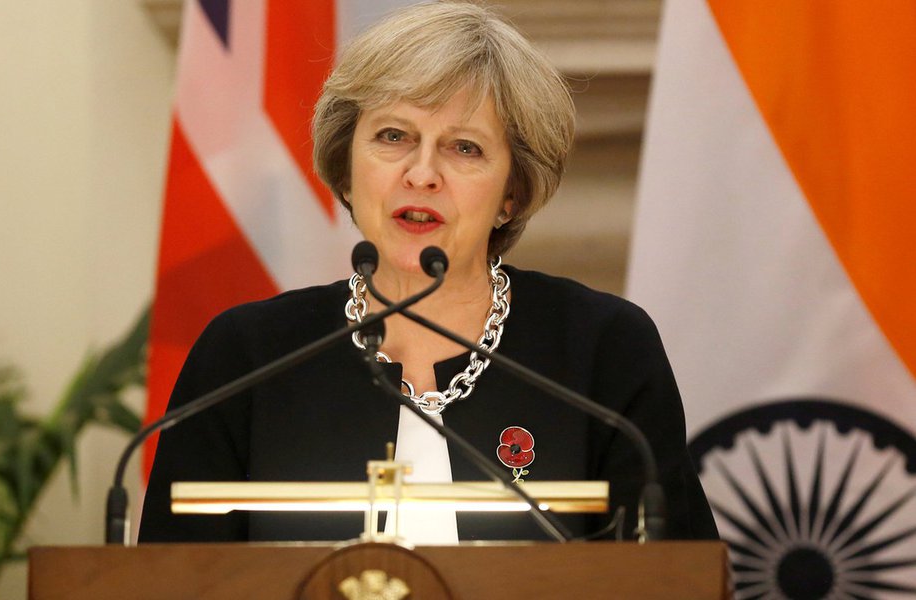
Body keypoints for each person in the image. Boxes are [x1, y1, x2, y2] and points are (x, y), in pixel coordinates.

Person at [140, 1, 717, 544]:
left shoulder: (603, 350)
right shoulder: (247, 359)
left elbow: (674, 576)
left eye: (464, 148)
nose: (423, 173)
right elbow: (172, 580)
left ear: (511, 195)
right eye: (393, 137)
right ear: (346, 171)